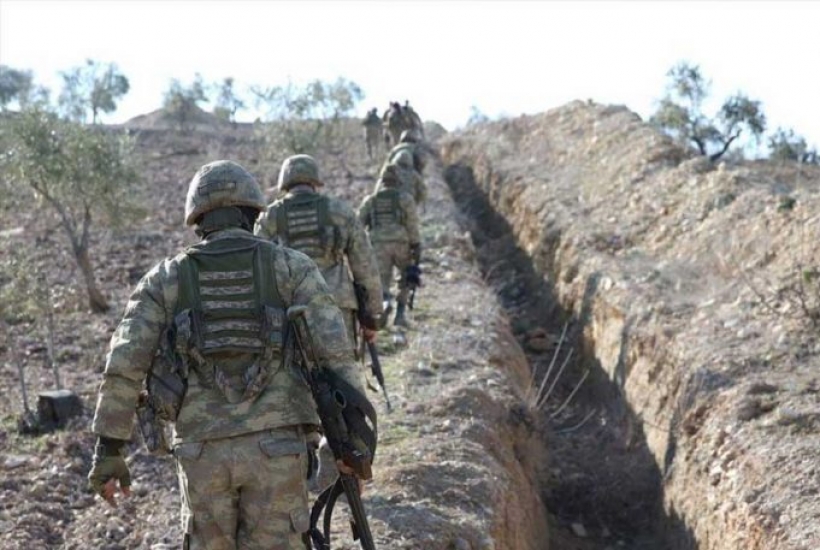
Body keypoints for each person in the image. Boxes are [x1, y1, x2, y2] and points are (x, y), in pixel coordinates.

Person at [87, 160, 372, 549]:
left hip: (203, 452)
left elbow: (124, 364)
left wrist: (109, 448)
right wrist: (353, 445)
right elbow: (335, 357)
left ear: (198, 219)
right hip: (278, 447)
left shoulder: (165, 279)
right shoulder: (292, 267)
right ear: (253, 213)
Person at [255, 154, 383, 348]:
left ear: (284, 181)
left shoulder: (270, 217)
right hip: (336, 305)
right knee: (341, 365)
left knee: (294, 366)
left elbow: (257, 266)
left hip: (290, 310)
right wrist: (371, 316)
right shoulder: (340, 211)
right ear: (314, 180)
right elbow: (365, 265)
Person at [358, 163, 421, 328]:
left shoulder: (371, 200)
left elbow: (358, 225)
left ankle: (385, 304)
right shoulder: (405, 199)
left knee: (381, 281)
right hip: (401, 244)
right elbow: (412, 225)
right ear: (398, 181)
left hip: (377, 245)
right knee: (406, 278)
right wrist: (416, 245)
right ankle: (400, 315)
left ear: (382, 181)